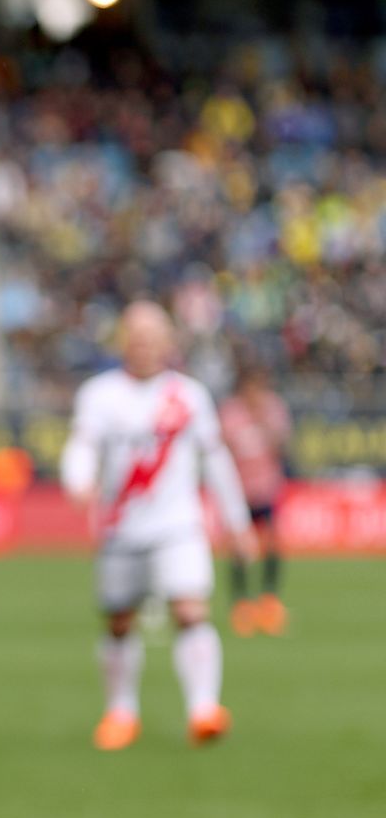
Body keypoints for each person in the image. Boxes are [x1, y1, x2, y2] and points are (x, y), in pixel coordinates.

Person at [61, 301, 258, 751]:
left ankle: (203, 709)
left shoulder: (188, 396)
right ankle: (121, 712)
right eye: (135, 336)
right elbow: (82, 446)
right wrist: (78, 480)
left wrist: (237, 523)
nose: (143, 345)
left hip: (178, 527)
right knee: (118, 621)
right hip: (120, 529)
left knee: (190, 609)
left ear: (168, 343)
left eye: (152, 337)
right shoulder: (100, 395)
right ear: (122, 341)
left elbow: (216, 460)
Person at [218, 364, 291, 637]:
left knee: (271, 544)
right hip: (238, 493)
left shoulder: (272, 409)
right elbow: (219, 452)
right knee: (239, 549)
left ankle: (269, 603)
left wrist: (264, 422)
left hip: (266, 489)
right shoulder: (230, 413)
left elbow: (283, 446)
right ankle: (242, 606)